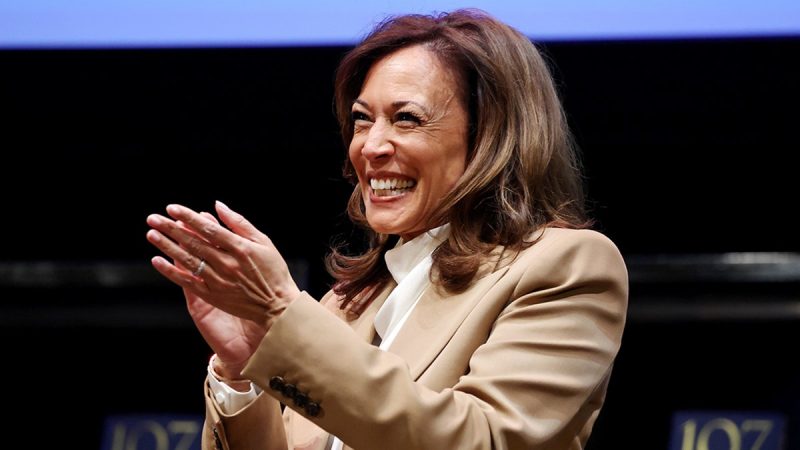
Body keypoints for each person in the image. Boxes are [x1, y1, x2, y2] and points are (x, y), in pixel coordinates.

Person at [145, 8, 628, 450]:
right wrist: (241, 370)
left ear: (490, 136)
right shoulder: (343, 305)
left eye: (407, 119)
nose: (371, 146)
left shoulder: (567, 265)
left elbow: (483, 439)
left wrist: (281, 312)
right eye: (362, 120)